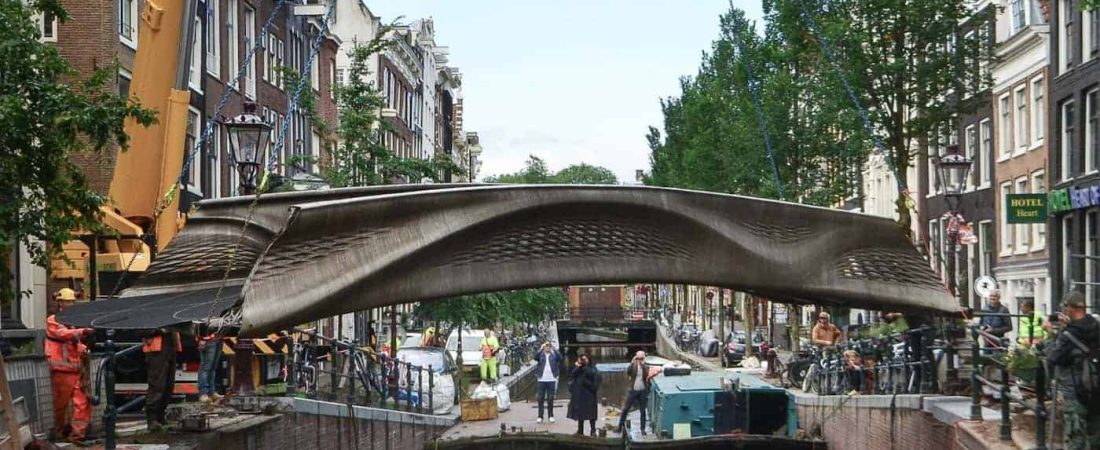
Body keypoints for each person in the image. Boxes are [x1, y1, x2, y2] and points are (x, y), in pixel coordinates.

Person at [1044, 291, 1100, 449]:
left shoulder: (1068, 335)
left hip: (1075, 393)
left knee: (1076, 440)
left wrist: (1050, 334)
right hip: (1096, 391)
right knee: (1096, 439)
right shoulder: (1096, 325)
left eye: (1063, 307)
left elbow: (1053, 358)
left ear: (1069, 308)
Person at [46, 288, 93, 443]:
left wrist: (83, 347)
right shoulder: (53, 320)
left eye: (72, 301)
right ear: (59, 302)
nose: (70, 304)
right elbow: (62, 334)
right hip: (61, 369)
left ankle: (77, 435)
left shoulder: (72, 321)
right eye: (67, 301)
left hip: (75, 368)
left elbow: (73, 341)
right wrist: (83, 330)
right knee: (61, 404)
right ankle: (59, 431)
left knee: (82, 402)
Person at [143, 327, 181, 431]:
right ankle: (152, 419)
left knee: (168, 385)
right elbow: (141, 330)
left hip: (169, 346)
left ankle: (160, 417)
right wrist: (160, 330)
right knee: (157, 384)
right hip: (157, 350)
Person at [617, 351, 660, 436]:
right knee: (626, 408)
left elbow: (648, 375)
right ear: (636, 358)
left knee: (643, 411)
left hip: (642, 390)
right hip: (634, 390)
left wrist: (644, 365)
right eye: (638, 358)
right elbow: (628, 372)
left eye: (641, 358)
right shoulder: (633, 366)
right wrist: (632, 362)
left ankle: (642, 429)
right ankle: (620, 426)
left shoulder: (645, 367)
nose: (640, 360)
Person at [567, 354, 600, 437]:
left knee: (591, 414)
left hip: (589, 395)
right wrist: (578, 366)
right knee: (580, 413)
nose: (583, 361)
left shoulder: (592, 369)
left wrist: (584, 380)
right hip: (579, 395)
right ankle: (580, 431)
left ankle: (593, 431)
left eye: (584, 359)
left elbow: (595, 384)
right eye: (582, 359)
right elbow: (573, 375)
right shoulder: (579, 369)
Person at [194, 321, 223, 404]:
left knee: (213, 367)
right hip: (208, 339)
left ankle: (211, 391)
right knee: (206, 367)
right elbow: (200, 320)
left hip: (218, 337)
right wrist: (202, 338)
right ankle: (203, 393)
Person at [534, 341, 563, 423]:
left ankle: (551, 415)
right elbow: (535, 357)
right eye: (546, 346)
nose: (547, 347)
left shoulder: (554, 355)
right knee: (540, 398)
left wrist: (554, 349)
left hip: (551, 379)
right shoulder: (541, 355)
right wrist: (540, 348)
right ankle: (540, 416)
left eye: (549, 346)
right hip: (541, 379)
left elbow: (560, 358)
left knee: (550, 398)